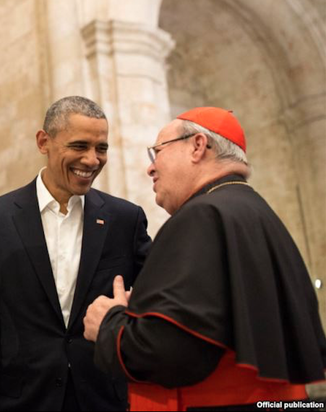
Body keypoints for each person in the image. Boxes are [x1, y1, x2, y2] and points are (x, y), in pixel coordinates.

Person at [84, 107, 326, 410]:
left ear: (197, 146)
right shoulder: (256, 212)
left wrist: (109, 322)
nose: (151, 168)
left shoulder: (202, 215)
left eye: (156, 152)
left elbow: (169, 353)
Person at [0, 96, 152, 411]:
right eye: (79, 146)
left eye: (101, 148)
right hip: (23, 401)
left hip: (103, 401)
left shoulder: (125, 219)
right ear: (43, 142)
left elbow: (158, 300)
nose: (92, 160)